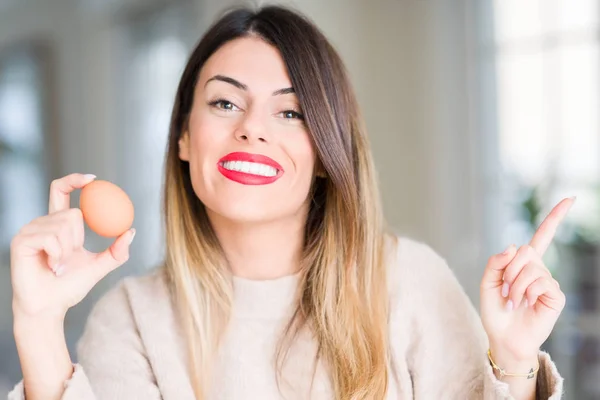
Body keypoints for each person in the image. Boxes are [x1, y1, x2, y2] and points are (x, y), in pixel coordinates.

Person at [8, 5, 571, 400]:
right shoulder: (132, 320)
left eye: (290, 111)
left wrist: (514, 359)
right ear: (183, 136)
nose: (252, 130)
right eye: (225, 103)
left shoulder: (412, 282)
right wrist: (38, 324)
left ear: (327, 152)